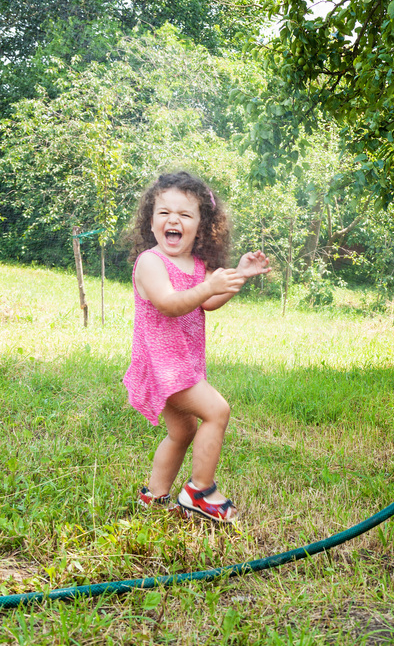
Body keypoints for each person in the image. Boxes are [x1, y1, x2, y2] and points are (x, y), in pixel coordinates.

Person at [124, 171, 270, 524]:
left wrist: (237, 276)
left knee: (183, 430)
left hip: (182, 364)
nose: (173, 220)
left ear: (201, 226)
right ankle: (199, 491)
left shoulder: (197, 265)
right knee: (217, 411)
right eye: (164, 213)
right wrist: (208, 287)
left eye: (185, 215)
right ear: (151, 220)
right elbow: (170, 303)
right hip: (164, 365)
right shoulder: (151, 262)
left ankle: (154, 496)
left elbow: (208, 303)